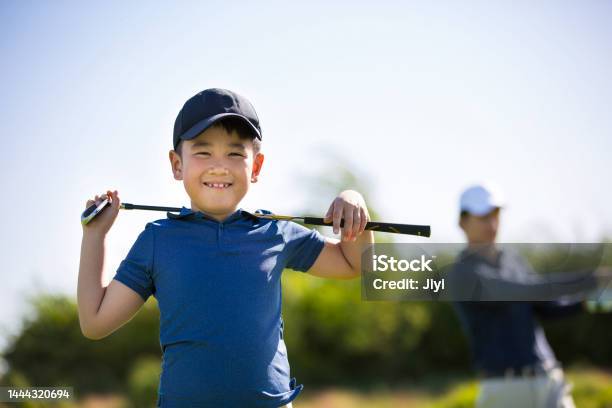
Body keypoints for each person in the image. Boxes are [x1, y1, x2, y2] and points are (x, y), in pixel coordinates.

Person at [77, 88, 374, 407]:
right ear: (177, 164)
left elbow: (353, 264)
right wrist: (94, 236)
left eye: (235, 153)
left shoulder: (276, 232)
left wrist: (352, 201)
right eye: (203, 152)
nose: (219, 166)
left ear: (256, 167)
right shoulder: (157, 240)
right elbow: (94, 322)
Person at [448, 183, 603, 408]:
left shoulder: (514, 260)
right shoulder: (463, 274)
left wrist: (603, 301)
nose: (491, 224)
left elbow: (549, 307)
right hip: (504, 390)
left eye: (495, 215)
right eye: (482, 217)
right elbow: (527, 289)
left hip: (549, 379)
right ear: (462, 222)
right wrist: (595, 279)